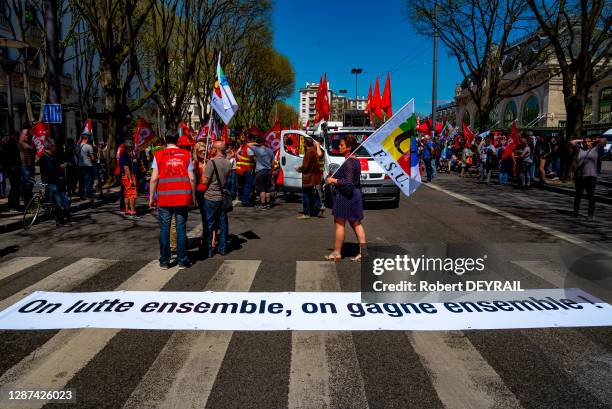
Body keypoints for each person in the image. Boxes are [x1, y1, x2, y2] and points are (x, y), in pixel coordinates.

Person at [149, 131, 196, 269]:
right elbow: (192, 178)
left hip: (164, 198)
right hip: (182, 197)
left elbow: (154, 178)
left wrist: (151, 197)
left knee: (165, 229)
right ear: (177, 140)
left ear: (164, 139)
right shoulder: (186, 155)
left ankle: (164, 261)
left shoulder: (158, 155)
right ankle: (182, 260)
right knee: (181, 229)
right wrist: (193, 196)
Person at [324, 137, 366, 262]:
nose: (339, 147)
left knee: (339, 225)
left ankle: (337, 252)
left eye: (342, 145)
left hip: (346, 197)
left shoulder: (349, 162)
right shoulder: (355, 160)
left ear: (349, 148)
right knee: (356, 224)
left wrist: (333, 180)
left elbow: (348, 183)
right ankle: (363, 253)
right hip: (355, 195)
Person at [201, 141, 232, 257]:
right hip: (222, 196)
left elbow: (205, 181)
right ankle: (223, 248)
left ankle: (209, 249)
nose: (211, 149)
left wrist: (205, 170)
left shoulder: (211, 162)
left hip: (211, 197)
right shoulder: (228, 163)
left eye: (212, 148)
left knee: (210, 223)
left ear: (216, 149)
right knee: (223, 223)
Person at [570, 135, 606, 220]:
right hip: (580, 176)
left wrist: (594, 141)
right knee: (578, 195)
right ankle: (576, 212)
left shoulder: (596, 149)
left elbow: (604, 140)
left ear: (591, 142)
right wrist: (582, 140)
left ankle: (590, 214)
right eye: (585, 142)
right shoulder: (580, 149)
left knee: (591, 196)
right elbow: (572, 142)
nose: (586, 143)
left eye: (588, 142)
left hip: (591, 177)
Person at [39, 139, 72, 226]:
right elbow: (51, 170)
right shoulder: (44, 157)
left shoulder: (52, 155)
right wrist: (61, 167)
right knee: (57, 202)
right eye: (54, 145)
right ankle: (60, 220)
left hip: (57, 181)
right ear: (50, 147)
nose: (55, 147)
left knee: (64, 200)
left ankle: (68, 218)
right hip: (51, 182)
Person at [297, 138, 322, 219]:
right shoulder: (314, 151)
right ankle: (318, 206)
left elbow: (306, 166)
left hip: (308, 177)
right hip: (313, 176)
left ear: (305, 143)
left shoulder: (309, 152)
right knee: (311, 194)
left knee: (305, 196)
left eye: (304, 143)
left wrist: (299, 169)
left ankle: (306, 213)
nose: (303, 144)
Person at [192, 141, 210, 254]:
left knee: (209, 217)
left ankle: (208, 240)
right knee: (205, 216)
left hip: (209, 191)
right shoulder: (194, 163)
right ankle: (205, 241)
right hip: (200, 192)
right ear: (196, 152)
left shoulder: (208, 162)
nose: (203, 152)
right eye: (201, 151)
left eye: (205, 150)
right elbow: (193, 180)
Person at [248, 137, 274, 209]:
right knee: (268, 188)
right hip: (268, 171)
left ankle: (263, 204)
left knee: (262, 189)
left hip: (260, 171)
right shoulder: (270, 151)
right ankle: (268, 204)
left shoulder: (257, 149)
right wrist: (271, 172)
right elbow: (272, 163)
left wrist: (256, 144)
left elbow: (248, 144)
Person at [0, 131, 21, 210]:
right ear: (13, 136)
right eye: (16, 136)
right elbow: (6, 157)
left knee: (15, 187)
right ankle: (12, 204)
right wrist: (11, 166)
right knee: (14, 187)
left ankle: (14, 204)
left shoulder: (13, 144)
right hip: (12, 168)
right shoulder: (9, 144)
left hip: (13, 168)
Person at [120, 140, 138, 218]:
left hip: (124, 176)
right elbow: (126, 168)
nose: (131, 149)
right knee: (132, 194)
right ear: (128, 147)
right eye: (131, 147)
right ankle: (133, 211)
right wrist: (130, 179)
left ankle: (127, 210)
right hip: (129, 176)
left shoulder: (123, 155)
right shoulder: (126, 156)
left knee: (126, 194)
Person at [75, 131, 95, 202]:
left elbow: (77, 155)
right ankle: (89, 197)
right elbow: (93, 158)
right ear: (88, 138)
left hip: (80, 166)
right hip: (88, 166)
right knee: (88, 182)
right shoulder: (89, 146)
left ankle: (81, 195)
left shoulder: (78, 146)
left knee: (81, 181)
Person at [236, 135, 255, 206]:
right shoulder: (248, 148)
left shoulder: (242, 148)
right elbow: (251, 159)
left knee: (245, 185)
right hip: (247, 169)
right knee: (248, 185)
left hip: (242, 169)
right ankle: (245, 201)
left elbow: (238, 155)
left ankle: (244, 199)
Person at [18, 126, 36, 206]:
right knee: (27, 187)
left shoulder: (29, 143)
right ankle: (28, 205)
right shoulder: (19, 144)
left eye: (28, 135)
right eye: (25, 134)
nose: (27, 136)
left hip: (30, 167)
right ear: (21, 135)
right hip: (25, 168)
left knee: (30, 186)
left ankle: (29, 204)